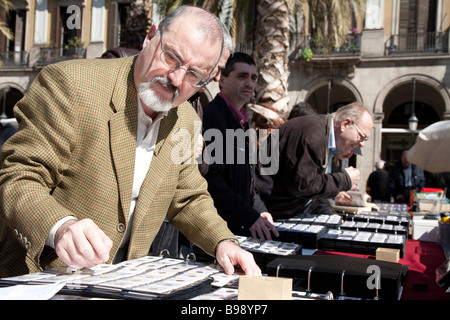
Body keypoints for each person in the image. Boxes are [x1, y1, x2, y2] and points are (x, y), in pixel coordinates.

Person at [0, 5, 261, 278]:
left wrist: (223, 241)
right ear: (150, 38)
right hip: (39, 279)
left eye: (195, 75)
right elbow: (19, 176)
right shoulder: (70, 84)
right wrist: (61, 225)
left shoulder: (186, 119)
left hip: (124, 285)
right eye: (171, 57)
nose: (176, 78)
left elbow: (188, 197)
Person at [202, 52, 279, 240]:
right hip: (216, 232)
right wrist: (249, 216)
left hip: (240, 229)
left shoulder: (244, 121)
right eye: (242, 76)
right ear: (222, 79)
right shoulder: (212, 117)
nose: (250, 83)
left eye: (253, 77)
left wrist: (259, 210)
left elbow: (248, 180)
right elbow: (211, 181)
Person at [265, 102, 373, 219]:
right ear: (345, 124)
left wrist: (332, 216)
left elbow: (314, 195)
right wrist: (344, 179)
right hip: (270, 217)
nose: (362, 144)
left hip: (284, 215)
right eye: (361, 136)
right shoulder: (313, 133)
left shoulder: (324, 136)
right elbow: (304, 186)